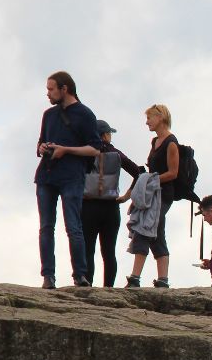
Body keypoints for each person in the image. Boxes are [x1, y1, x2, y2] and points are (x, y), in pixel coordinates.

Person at [35, 71, 103, 288]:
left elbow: (95, 149)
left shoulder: (85, 114)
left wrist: (65, 150)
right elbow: (40, 143)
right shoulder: (48, 114)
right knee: (46, 227)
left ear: (64, 89)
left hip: (72, 176)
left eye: (51, 89)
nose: (48, 93)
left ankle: (80, 275)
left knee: (73, 226)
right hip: (46, 175)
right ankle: (48, 276)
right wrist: (43, 147)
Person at [82, 119, 143, 287]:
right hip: (111, 206)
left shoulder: (85, 152)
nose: (110, 136)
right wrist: (126, 196)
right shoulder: (116, 153)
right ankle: (108, 287)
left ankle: (87, 285)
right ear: (104, 135)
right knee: (108, 252)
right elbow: (138, 173)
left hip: (88, 206)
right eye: (109, 133)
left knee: (88, 249)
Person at [124, 105, 180, 288]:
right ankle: (163, 280)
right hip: (151, 193)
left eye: (149, 118)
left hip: (163, 195)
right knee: (157, 234)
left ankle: (135, 278)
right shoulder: (155, 141)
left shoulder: (171, 143)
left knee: (144, 229)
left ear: (160, 117)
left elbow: (173, 173)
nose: (147, 122)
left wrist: (151, 180)